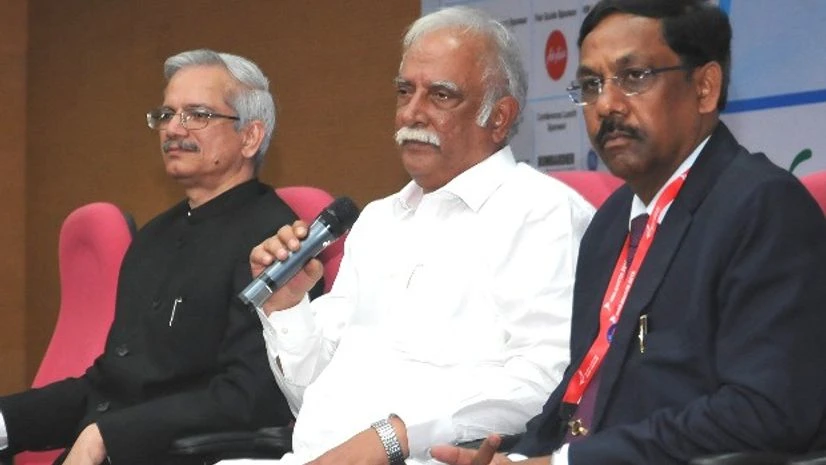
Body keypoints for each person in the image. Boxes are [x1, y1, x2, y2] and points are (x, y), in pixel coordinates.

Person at [431, 1, 826, 464]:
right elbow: (585, 383)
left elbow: (766, 410)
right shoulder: (611, 221)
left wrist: (564, 463)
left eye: (634, 76)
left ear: (704, 87)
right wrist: (515, 458)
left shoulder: (763, 208)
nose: (606, 105)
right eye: (591, 84)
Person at [226, 6, 594, 465]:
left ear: (498, 117)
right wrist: (286, 309)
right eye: (405, 91)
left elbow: (547, 378)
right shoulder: (379, 221)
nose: (412, 113)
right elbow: (311, 399)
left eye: (441, 95)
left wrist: (395, 433)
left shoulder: (543, 214)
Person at [0, 49, 304, 465]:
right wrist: (6, 421)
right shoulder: (154, 236)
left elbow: (251, 396)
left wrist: (108, 435)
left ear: (250, 136)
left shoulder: (274, 240)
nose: (172, 129)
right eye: (165, 114)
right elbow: (108, 385)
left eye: (197, 114)